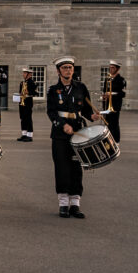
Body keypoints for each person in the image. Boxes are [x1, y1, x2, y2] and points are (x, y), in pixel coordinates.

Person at [46, 56, 100, 218]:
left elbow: (85, 109)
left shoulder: (81, 88)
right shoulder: (53, 90)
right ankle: (63, 203)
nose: (68, 70)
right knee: (62, 167)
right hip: (60, 134)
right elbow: (51, 112)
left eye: (70, 67)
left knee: (76, 168)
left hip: (78, 131)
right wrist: (63, 125)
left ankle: (75, 204)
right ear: (58, 71)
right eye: (64, 68)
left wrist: (92, 116)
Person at [102, 61, 126, 143]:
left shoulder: (121, 80)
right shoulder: (107, 79)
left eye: (113, 68)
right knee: (107, 124)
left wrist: (111, 94)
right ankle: (108, 141)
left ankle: (116, 142)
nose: (110, 69)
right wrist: (104, 97)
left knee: (114, 124)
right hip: (107, 105)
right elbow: (104, 91)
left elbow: (123, 93)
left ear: (117, 69)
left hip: (115, 106)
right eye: (110, 67)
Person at [17, 67, 38, 142]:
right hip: (22, 101)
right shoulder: (22, 82)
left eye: (25, 73)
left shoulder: (32, 82)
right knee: (22, 118)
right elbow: (20, 92)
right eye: (23, 73)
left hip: (28, 101)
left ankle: (29, 135)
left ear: (30, 74)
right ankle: (24, 134)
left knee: (28, 118)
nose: (23, 74)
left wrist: (28, 92)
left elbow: (36, 92)